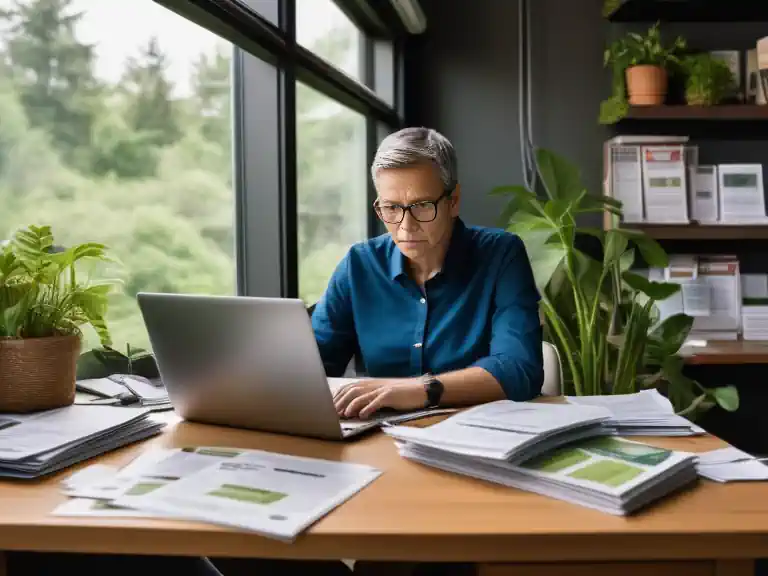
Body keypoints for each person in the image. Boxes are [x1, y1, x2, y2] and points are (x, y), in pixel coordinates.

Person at [313, 126, 544, 419]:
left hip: (476, 436)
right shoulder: (359, 264)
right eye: (391, 208)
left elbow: (519, 369)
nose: (405, 227)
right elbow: (313, 365)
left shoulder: (501, 255)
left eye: (422, 206)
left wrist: (421, 390)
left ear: (453, 200)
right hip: (378, 438)